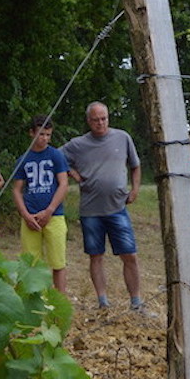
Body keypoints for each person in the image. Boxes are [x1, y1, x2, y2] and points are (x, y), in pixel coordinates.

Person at [61, 101, 145, 312]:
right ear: (88, 121)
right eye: (96, 120)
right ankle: (103, 301)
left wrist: (135, 189)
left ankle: (136, 301)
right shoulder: (78, 144)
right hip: (91, 211)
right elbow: (55, 157)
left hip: (118, 208)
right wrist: (72, 172)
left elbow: (135, 165)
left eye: (104, 118)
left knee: (130, 255)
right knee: (96, 256)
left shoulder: (122, 137)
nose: (100, 123)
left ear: (108, 117)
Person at [12, 115, 69, 293]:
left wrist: (50, 210)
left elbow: (64, 183)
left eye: (48, 135)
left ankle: (60, 300)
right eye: (41, 134)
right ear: (32, 133)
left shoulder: (56, 155)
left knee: (58, 262)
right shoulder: (23, 159)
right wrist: (25, 215)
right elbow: (16, 189)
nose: (44, 138)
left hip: (54, 215)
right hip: (31, 217)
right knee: (31, 263)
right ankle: (35, 299)